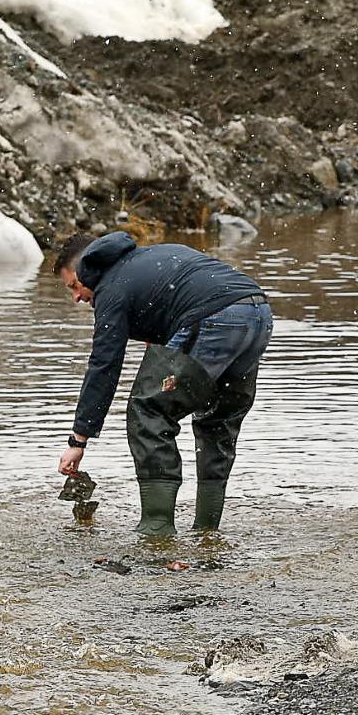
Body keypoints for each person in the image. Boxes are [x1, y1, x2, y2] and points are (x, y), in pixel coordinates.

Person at [53, 227, 275, 538]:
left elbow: (104, 365)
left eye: (75, 285)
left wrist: (79, 440)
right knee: (217, 419)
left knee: (149, 412)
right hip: (258, 313)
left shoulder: (111, 287)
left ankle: (156, 535)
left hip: (214, 318)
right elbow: (174, 303)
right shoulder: (149, 258)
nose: (77, 297)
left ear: (88, 266)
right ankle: (207, 534)